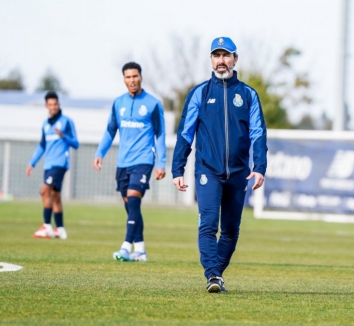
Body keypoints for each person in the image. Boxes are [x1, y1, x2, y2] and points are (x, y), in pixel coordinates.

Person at [172, 37, 267, 293]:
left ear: (235, 59)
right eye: (216, 55)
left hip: (239, 173)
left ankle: (216, 276)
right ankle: (213, 275)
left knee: (231, 231)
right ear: (211, 60)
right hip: (208, 171)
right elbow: (185, 133)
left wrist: (259, 167)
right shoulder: (200, 93)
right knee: (208, 224)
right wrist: (177, 168)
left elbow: (258, 133)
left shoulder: (248, 94)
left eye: (226, 55)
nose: (221, 60)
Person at [94, 62, 166, 262]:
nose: (132, 80)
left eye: (135, 76)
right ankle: (140, 250)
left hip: (144, 159)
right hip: (123, 162)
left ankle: (126, 247)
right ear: (124, 79)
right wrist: (100, 152)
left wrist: (161, 163)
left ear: (141, 77)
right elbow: (110, 131)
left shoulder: (153, 104)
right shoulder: (118, 103)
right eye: (128, 77)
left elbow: (160, 134)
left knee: (134, 199)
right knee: (131, 207)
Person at [27, 91, 80, 240]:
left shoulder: (67, 122)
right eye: (50, 104)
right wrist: (32, 163)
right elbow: (42, 145)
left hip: (60, 164)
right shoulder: (45, 124)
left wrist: (64, 136)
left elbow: (76, 144)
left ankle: (47, 226)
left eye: (55, 104)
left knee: (44, 191)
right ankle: (60, 229)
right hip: (48, 165)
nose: (53, 107)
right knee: (55, 196)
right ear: (46, 106)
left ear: (59, 104)